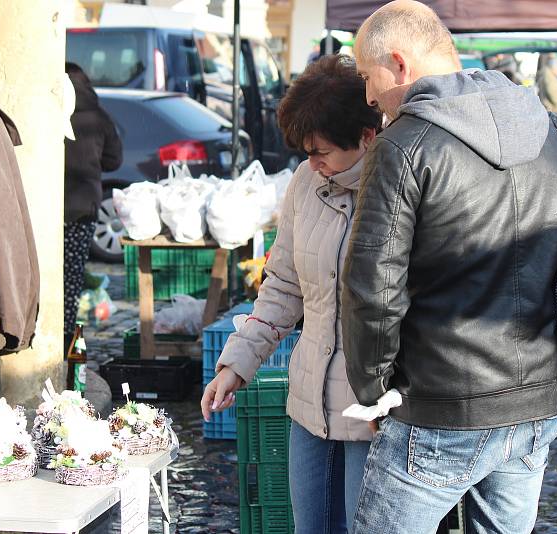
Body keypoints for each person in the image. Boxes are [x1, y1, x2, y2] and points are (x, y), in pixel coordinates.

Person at [345, 1, 557, 533]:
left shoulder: (404, 144)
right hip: (536, 402)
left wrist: (372, 389)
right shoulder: (546, 126)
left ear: (398, 63)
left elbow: (374, 285)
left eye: (366, 79)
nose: (369, 99)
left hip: (441, 405)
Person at [201, 55, 382, 534]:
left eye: (321, 150)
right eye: (305, 151)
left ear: (365, 137)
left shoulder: (396, 185)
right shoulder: (305, 183)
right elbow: (282, 283)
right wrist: (237, 364)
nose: (312, 162)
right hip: (309, 398)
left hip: (375, 408)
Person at [63, 62, 122, 345]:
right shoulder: (99, 116)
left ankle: (47, 336)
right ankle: (65, 340)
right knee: (72, 278)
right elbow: (115, 159)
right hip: (84, 205)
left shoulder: (52, 112)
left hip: (50, 208)